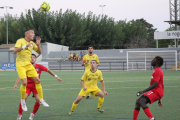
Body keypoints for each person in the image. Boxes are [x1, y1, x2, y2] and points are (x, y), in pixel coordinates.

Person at [14, 54, 63, 120]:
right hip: (28, 86)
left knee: (38, 100)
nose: (32, 58)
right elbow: (20, 76)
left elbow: (48, 70)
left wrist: (56, 76)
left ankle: (32, 114)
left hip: (36, 86)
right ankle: (19, 115)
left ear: (36, 59)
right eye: (31, 57)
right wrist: (16, 84)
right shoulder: (26, 67)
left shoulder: (39, 66)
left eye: (34, 57)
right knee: (24, 98)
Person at [14, 29, 48, 111]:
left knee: (38, 81)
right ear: (27, 34)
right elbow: (15, 50)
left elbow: (39, 52)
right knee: (24, 83)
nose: (34, 34)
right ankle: (22, 101)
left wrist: (38, 45)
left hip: (28, 65)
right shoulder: (20, 41)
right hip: (20, 65)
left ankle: (41, 99)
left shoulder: (32, 44)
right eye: (32, 33)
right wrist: (25, 46)